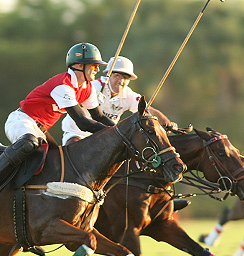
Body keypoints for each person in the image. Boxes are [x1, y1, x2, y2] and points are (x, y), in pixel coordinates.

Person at [0, 42, 116, 223]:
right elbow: (83, 122)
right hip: (22, 120)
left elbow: (99, 116)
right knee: (29, 143)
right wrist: (115, 135)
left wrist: (120, 129)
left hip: (41, 130)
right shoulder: (63, 85)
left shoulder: (87, 88)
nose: (96, 70)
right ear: (79, 66)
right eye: (93, 66)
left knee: (54, 163)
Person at [61, 55, 189, 212]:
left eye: (125, 78)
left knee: (141, 159)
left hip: (107, 141)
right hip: (79, 134)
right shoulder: (92, 86)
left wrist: (167, 123)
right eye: (117, 76)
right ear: (108, 75)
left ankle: (161, 200)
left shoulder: (127, 94)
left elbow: (148, 111)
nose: (120, 81)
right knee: (73, 166)